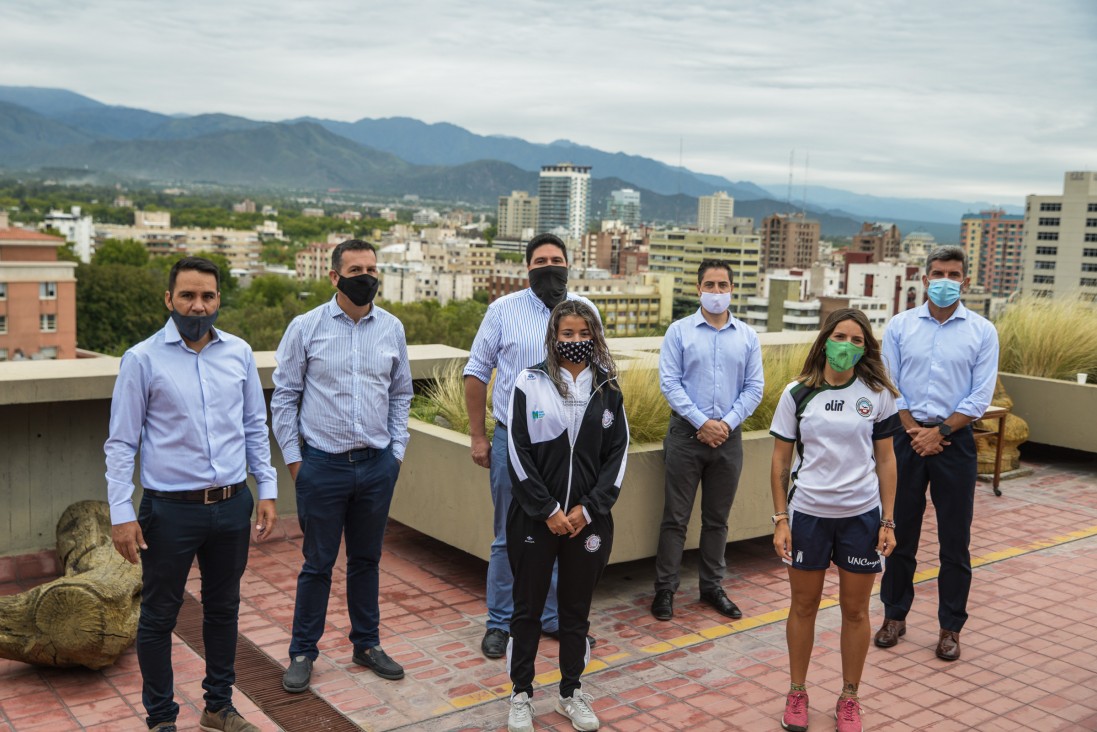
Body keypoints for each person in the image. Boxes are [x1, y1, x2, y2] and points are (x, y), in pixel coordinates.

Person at [105, 256, 277, 732]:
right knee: (159, 617)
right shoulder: (142, 359)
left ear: (219, 300)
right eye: (187, 296)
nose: (197, 306)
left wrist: (266, 488)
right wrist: (121, 512)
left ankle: (218, 707)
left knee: (224, 610)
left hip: (232, 503)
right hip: (169, 512)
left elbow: (253, 426)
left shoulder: (239, 353)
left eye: (207, 296)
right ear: (169, 299)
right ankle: (161, 719)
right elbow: (121, 442)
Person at [273, 239, 413, 692]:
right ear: (334, 276)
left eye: (372, 269)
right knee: (317, 563)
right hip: (322, 467)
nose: (366, 277)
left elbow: (400, 394)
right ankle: (302, 651)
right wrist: (298, 464)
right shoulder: (305, 327)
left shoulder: (391, 328)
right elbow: (285, 398)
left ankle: (366, 644)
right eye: (356, 269)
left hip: (376, 466)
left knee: (367, 560)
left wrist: (395, 454)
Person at [464, 232, 599, 659]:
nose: (549, 266)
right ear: (528, 268)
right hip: (512, 441)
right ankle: (500, 622)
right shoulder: (503, 310)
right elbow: (476, 373)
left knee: (563, 532)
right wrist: (478, 435)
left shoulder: (585, 312)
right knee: (508, 534)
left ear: (568, 265)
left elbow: (600, 374)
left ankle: (554, 617)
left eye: (556, 259)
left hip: (569, 446)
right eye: (541, 260)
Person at [769, 308, 900, 732]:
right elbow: (780, 461)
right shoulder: (797, 393)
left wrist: (888, 521)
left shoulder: (877, 393)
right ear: (825, 340)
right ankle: (797, 692)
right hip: (808, 515)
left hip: (860, 518)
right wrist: (780, 519)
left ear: (866, 348)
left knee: (856, 611)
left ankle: (849, 697)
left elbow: (886, 459)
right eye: (840, 336)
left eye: (857, 340)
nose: (847, 346)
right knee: (803, 605)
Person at [504, 300, 629, 732]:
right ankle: (521, 694)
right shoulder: (529, 381)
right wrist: (549, 510)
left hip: (587, 523)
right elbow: (517, 453)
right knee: (527, 610)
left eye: (583, 334)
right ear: (553, 337)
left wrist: (588, 509)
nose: (576, 342)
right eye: (567, 334)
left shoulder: (608, 387)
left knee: (576, 611)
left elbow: (618, 457)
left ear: (594, 337)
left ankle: (571, 692)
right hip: (535, 520)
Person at [874, 246, 998, 663]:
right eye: (938, 273)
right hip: (905, 438)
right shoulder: (900, 325)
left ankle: (950, 628)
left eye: (954, 274)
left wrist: (940, 431)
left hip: (954, 441)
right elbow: (889, 383)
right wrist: (914, 430)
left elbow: (980, 395)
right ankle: (894, 616)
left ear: (965, 280)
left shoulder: (982, 331)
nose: (946, 280)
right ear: (925, 279)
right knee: (898, 533)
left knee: (954, 542)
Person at [650, 259, 763, 621]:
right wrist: (702, 422)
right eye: (710, 285)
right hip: (686, 435)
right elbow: (670, 383)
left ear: (732, 289)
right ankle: (665, 590)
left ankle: (712, 586)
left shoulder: (747, 336)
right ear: (698, 289)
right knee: (675, 518)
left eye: (723, 285)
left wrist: (724, 425)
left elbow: (754, 387)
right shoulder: (679, 332)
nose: (717, 292)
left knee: (717, 519)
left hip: (728, 440)